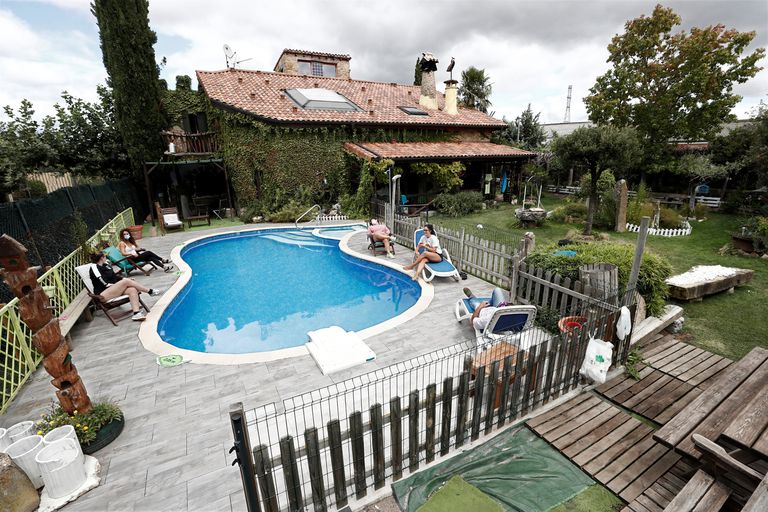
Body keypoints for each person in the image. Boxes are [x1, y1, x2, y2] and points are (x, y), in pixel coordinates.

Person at [89, 252, 161, 321]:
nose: (106, 258)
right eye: (105, 256)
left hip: (113, 290)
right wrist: (121, 283)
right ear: (102, 258)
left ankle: (136, 313)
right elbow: (102, 281)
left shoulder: (106, 265)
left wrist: (124, 280)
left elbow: (114, 277)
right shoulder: (94, 267)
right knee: (126, 282)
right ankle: (149, 291)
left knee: (132, 289)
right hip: (102, 294)